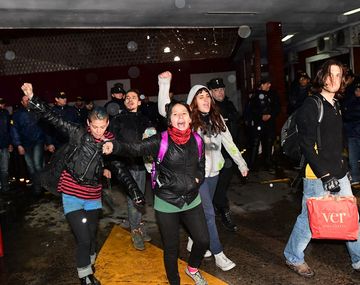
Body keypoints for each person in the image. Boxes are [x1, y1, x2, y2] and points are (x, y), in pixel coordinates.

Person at [20, 83, 145, 285]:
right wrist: (33, 98)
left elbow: (120, 169)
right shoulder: (78, 133)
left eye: (102, 127)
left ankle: (89, 265)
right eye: (94, 126)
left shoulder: (110, 143)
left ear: (107, 124)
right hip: (71, 193)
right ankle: (85, 276)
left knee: (92, 237)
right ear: (88, 123)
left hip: (93, 195)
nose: (98, 131)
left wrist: (135, 192)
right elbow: (54, 118)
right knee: (84, 239)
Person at [103, 100, 209, 285]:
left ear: (190, 117)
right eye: (175, 114)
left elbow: (201, 165)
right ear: (169, 121)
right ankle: (174, 281)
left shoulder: (198, 140)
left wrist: (198, 178)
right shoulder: (161, 140)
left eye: (183, 113)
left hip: (192, 198)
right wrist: (116, 146)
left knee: (202, 241)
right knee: (171, 248)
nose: (180, 117)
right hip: (167, 202)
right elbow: (135, 148)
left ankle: (192, 269)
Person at [158, 71, 248, 271]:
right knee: (208, 214)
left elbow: (229, 143)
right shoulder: (188, 122)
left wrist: (241, 163)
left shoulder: (217, 119)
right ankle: (219, 253)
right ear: (193, 101)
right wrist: (164, 83)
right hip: (196, 176)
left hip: (214, 174)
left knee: (205, 212)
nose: (206, 99)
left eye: (208, 96)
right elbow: (166, 110)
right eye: (201, 96)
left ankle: (193, 239)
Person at [284, 59, 360, 278]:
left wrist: (343, 169)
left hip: (339, 172)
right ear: (322, 77)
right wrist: (325, 175)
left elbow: (334, 143)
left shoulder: (335, 104)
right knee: (309, 219)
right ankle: (293, 256)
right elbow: (307, 145)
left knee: (351, 217)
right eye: (330, 74)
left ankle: (358, 259)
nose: (334, 79)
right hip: (317, 175)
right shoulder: (312, 104)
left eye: (338, 75)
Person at [109, 89, 153, 251]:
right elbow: (111, 143)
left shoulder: (144, 119)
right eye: (127, 98)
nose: (129, 100)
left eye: (133, 97)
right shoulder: (118, 119)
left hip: (140, 164)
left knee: (139, 196)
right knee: (133, 198)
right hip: (125, 166)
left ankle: (138, 225)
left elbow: (152, 139)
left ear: (139, 102)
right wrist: (109, 165)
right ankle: (135, 230)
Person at [207, 77, 241, 232]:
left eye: (221, 89)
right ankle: (221, 211)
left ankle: (221, 210)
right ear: (210, 92)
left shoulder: (230, 105)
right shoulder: (209, 109)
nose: (220, 92)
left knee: (221, 186)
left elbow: (237, 129)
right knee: (215, 188)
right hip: (213, 156)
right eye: (216, 90)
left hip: (229, 156)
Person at [11, 94, 49, 196]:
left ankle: (43, 186)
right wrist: (18, 145)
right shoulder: (17, 114)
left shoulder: (37, 112)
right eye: (25, 101)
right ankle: (37, 188)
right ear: (22, 103)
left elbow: (44, 127)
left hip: (38, 141)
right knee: (30, 167)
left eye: (29, 100)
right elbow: (14, 130)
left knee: (37, 164)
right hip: (25, 144)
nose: (27, 102)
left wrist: (46, 142)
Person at [247, 77, 280, 170]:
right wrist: (260, 115)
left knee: (269, 142)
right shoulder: (254, 96)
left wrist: (270, 114)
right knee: (255, 143)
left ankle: (268, 162)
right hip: (258, 123)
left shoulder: (273, 94)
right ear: (262, 85)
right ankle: (252, 164)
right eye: (267, 83)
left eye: (269, 83)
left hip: (269, 123)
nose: (269, 85)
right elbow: (251, 110)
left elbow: (277, 107)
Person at [342, 82, 360, 185]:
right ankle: (355, 177)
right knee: (353, 158)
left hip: (355, 132)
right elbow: (345, 114)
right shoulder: (351, 100)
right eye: (356, 90)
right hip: (352, 133)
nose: (358, 92)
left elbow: (348, 114)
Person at [0, 98, 13, 192]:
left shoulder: (6, 113)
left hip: (4, 144)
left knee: (5, 168)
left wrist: (10, 143)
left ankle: (5, 188)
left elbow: (9, 130)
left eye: (2, 103)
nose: (1, 105)